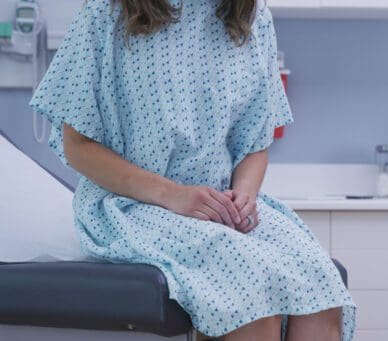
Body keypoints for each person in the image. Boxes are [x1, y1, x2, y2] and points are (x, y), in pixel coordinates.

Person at [29, 0, 356, 339]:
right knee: (251, 295)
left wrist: (244, 196)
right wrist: (174, 195)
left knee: (321, 286)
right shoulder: (105, 13)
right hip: (131, 205)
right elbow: (78, 146)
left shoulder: (252, 17)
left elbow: (255, 145)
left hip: (218, 208)